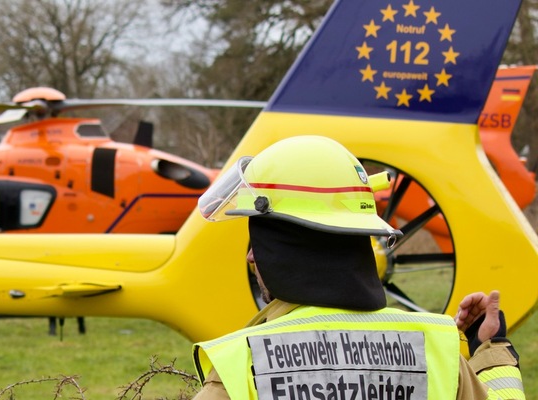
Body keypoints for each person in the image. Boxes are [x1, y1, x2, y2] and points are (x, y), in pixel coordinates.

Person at [193, 135, 523, 400]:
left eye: (261, 240)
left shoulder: (244, 364)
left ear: (285, 247)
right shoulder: (436, 347)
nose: (252, 257)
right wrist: (489, 351)